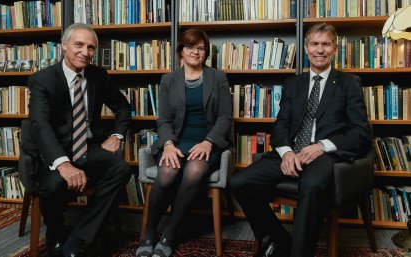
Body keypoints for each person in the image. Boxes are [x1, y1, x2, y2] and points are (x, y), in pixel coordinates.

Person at [228, 23, 371, 257]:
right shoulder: (293, 83)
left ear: (334, 48)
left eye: (326, 44)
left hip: (325, 155)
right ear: (306, 48)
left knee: (312, 184)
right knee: (240, 182)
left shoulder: (348, 83)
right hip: (292, 151)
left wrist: (321, 146)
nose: (320, 50)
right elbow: (281, 124)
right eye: (314, 44)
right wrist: (285, 152)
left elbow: (361, 131)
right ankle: (280, 238)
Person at [27, 23, 132, 257]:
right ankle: (55, 233)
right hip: (54, 152)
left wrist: (116, 136)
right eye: (79, 45)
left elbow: (124, 108)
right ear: (64, 46)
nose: (85, 51)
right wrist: (63, 164)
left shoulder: (98, 76)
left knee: (121, 169)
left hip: (87, 148)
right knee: (53, 185)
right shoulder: (42, 80)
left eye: (91, 47)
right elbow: (40, 126)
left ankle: (79, 236)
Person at [136, 28, 233, 257]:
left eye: (200, 48)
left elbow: (225, 117)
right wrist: (168, 144)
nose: (195, 52)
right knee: (168, 172)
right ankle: (149, 233)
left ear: (206, 52)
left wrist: (209, 141)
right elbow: (164, 119)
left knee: (194, 171)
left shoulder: (217, 77)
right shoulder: (169, 79)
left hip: (207, 141)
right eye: (190, 46)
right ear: (181, 50)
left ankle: (170, 234)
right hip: (177, 141)